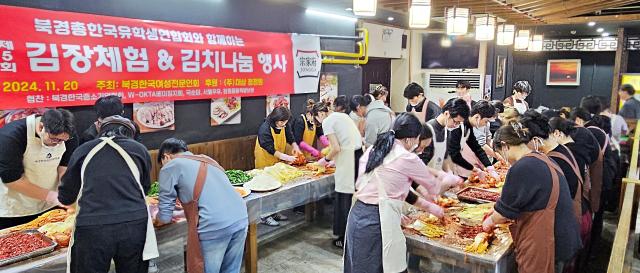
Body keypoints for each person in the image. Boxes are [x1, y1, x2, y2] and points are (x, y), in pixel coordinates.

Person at [344, 113, 460, 273]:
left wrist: (428, 207)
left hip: (358, 216)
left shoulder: (376, 148)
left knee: (360, 267)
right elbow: (433, 189)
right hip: (375, 222)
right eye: (418, 141)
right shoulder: (407, 158)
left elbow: (390, 188)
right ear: (409, 140)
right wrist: (450, 179)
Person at [58, 116, 157, 273]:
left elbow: (66, 196)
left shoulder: (83, 150)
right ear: (129, 133)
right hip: (134, 225)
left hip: (92, 228)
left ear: (100, 130)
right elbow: (144, 189)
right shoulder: (139, 149)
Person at [483, 122, 581, 273]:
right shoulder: (540, 157)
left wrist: (489, 222)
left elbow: (502, 214)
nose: (503, 159)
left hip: (549, 242)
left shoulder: (522, 167)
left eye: (500, 153)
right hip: (563, 236)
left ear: (505, 146)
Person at [154, 138, 248, 273]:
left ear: (166, 156)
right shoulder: (206, 159)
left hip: (213, 226)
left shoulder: (170, 166)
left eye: (162, 163)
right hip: (241, 218)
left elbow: (164, 217)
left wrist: (156, 220)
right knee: (231, 270)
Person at [521, 111, 590, 269]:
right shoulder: (563, 149)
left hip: (565, 230)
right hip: (576, 220)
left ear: (536, 140)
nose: (526, 147)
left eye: (526, 142)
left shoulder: (554, 159)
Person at [0, 109, 78, 229]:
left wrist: (66, 193)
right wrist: (54, 197)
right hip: (15, 209)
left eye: (62, 141)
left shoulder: (67, 135)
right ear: (41, 127)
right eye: (54, 139)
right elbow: (13, 181)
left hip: (49, 207)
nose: (58, 144)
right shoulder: (10, 136)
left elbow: (64, 168)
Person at [312, 99, 363, 248]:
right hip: (358, 156)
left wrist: (324, 160)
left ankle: (343, 237)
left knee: (343, 197)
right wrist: (334, 160)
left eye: (318, 118)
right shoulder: (343, 116)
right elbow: (348, 142)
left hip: (349, 160)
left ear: (321, 113)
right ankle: (351, 234)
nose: (319, 122)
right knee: (352, 197)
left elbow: (335, 148)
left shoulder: (328, 121)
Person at [254, 106, 300, 226]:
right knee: (266, 189)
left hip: (277, 161)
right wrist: (287, 157)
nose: (284, 125)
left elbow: (290, 136)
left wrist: (295, 147)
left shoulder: (284, 124)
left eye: (286, 122)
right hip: (265, 160)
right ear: (276, 119)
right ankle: (265, 216)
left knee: (277, 188)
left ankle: (274, 212)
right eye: (282, 122)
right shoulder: (264, 129)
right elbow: (270, 148)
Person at [447, 100, 499, 179]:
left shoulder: (468, 125)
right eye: (486, 121)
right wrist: (475, 169)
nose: (485, 124)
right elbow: (454, 155)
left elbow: (476, 147)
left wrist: (489, 166)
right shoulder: (459, 125)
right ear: (477, 117)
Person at [425, 98, 468, 171]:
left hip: (438, 179)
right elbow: (420, 164)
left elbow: (445, 158)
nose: (456, 126)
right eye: (455, 122)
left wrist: (449, 173)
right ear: (447, 114)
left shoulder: (447, 131)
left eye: (459, 124)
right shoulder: (427, 130)